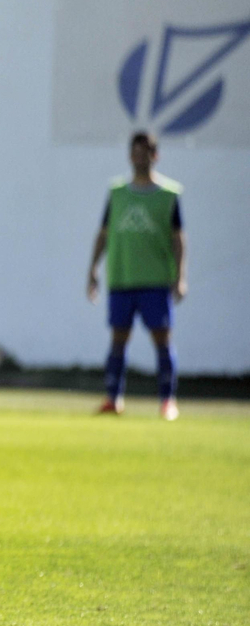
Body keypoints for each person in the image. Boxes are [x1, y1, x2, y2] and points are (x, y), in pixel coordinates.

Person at [86, 131, 186, 420]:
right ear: (130, 155)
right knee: (118, 338)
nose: (139, 158)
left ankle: (167, 401)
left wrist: (180, 276)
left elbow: (178, 238)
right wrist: (93, 269)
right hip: (122, 277)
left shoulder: (168, 195)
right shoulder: (117, 192)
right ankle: (113, 398)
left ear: (155, 156)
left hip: (155, 279)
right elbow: (104, 233)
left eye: (145, 153)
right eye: (135, 152)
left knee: (162, 339)